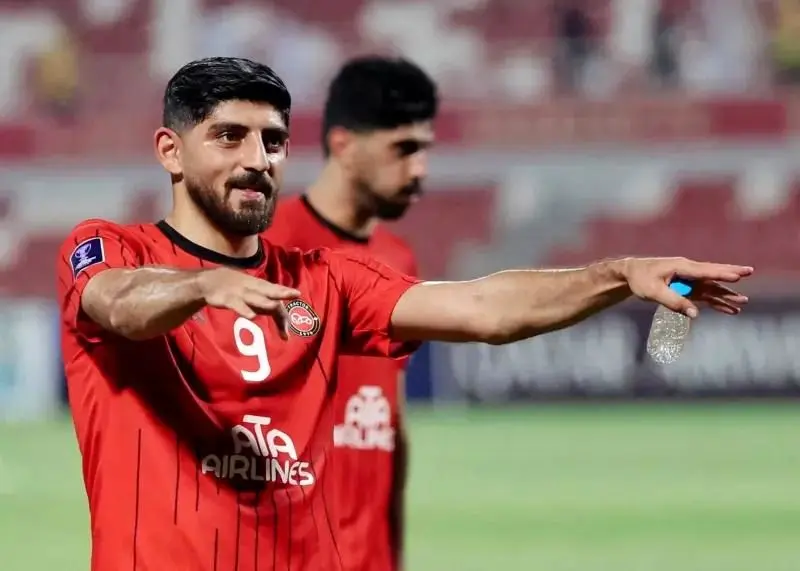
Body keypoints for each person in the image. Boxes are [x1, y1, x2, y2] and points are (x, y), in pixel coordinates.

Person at [57, 57, 752, 571]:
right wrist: (204, 285)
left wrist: (619, 274)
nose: (257, 159)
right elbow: (115, 303)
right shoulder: (111, 248)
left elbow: (483, 307)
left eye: (272, 140)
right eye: (229, 136)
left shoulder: (326, 278)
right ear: (170, 151)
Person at [264, 55, 436, 571]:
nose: (420, 170)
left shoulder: (399, 259)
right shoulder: (270, 246)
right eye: (402, 149)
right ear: (343, 145)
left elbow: (390, 419)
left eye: (424, 149)